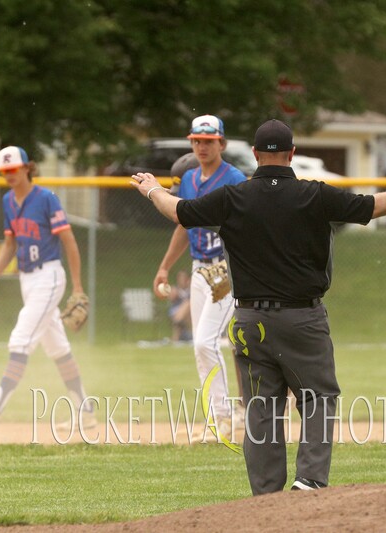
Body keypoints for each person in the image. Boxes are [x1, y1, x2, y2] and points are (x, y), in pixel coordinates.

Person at [130, 118, 386, 495]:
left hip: (249, 319)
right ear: (293, 154)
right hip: (302, 317)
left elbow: (180, 212)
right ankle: (309, 480)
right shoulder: (314, 195)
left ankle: (266, 493)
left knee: (261, 407)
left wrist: (152, 189)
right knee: (317, 397)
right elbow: (373, 206)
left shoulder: (234, 197)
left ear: (254, 155)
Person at [0, 146, 95, 431]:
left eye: (13, 169)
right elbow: (11, 243)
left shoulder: (46, 199)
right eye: (3, 171)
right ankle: (86, 409)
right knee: (57, 348)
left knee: (21, 339)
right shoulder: (9, 201)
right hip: (27, 280)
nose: (8, 175)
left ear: (27, 168)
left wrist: (78, 285)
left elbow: (69, 241)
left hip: (49, 277)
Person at [152, 115, 247, 436]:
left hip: (225, 269)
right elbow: (183, 225)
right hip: (199, 269)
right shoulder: (190, 179)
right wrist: (165, 266)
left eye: (209, 141)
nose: (202, 146)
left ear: (221, 143)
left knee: (206, 341)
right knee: (203, 345)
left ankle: (224, 417)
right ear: (190, 142)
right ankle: (219, 418)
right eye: (197, 140)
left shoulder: (234, 178)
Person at [168, 270, 192, 343]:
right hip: (176, 310)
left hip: (189, 312)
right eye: (180, 278)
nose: (182, 280)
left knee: (188, 304)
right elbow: (171, 298)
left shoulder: (191, 289)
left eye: (184, 278)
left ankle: (176, 337)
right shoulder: (175, 289)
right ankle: (178, 321)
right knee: (187, 304)